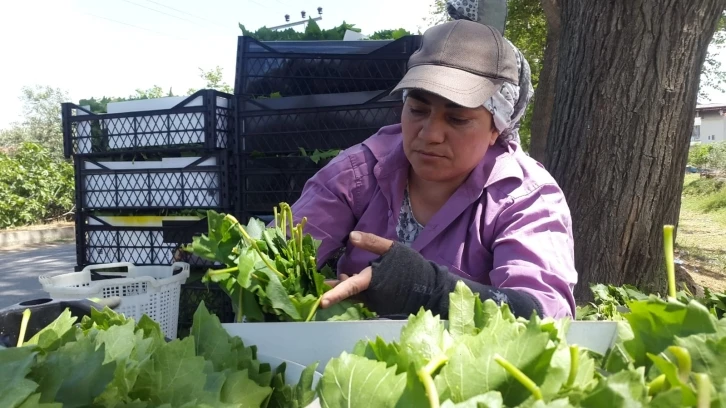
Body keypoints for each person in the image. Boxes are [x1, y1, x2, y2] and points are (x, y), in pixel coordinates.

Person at [285, 19, 578, 320]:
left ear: (497, 128)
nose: (429, 134)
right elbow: (272, 261)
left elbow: (546, 315)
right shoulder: (359, 173)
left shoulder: (524, 199)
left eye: (457, 119)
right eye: (418, 110)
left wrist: (431, 291)